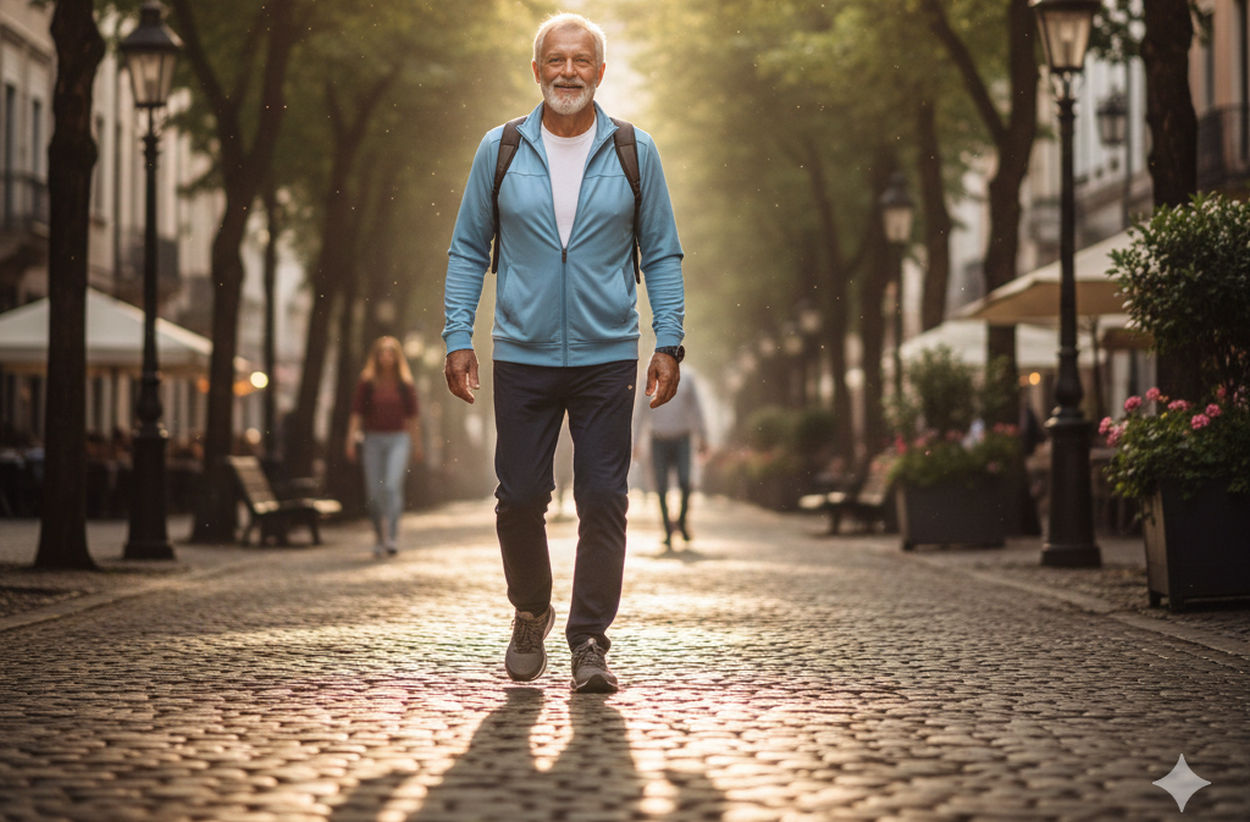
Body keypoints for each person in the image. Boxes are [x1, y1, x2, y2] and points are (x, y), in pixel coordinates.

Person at [441, 12, 686, 693]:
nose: (569, 72)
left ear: (601, 73)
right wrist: (458, 334)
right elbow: (468, 249)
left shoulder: (636, 151)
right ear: (537, 70)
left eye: (582, 61)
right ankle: (531, 609)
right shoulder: (502, 149)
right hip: (521, 352)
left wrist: (670, 339)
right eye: (557, 60)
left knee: (603, 497)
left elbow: (661, 252)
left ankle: (589, 642)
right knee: (519, 497)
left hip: (608, 351)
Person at [346, 336, 424, 557]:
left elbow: (413, 418)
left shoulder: (404, 384)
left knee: (391, 486)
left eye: (391, 352)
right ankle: (379, 537)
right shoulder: (367, 383)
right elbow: (356, 414)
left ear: (397, 356)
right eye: (383, 352)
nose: (386, 356)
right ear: (377, 356)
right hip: (372, 440)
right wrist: (350, 441)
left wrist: (417, 446)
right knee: (373, 493)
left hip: (399, 440)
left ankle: (391, 537)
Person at [635, 369, 707, 550]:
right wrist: (635, 442)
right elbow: (641, 414)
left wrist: (702, 436)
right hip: (657, 439)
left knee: (685, 481)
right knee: (661, 486)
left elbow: (697, 409)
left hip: (683, 437)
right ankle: (667, 530)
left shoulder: (688, 378)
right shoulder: (649, 377)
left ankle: (682, 522)